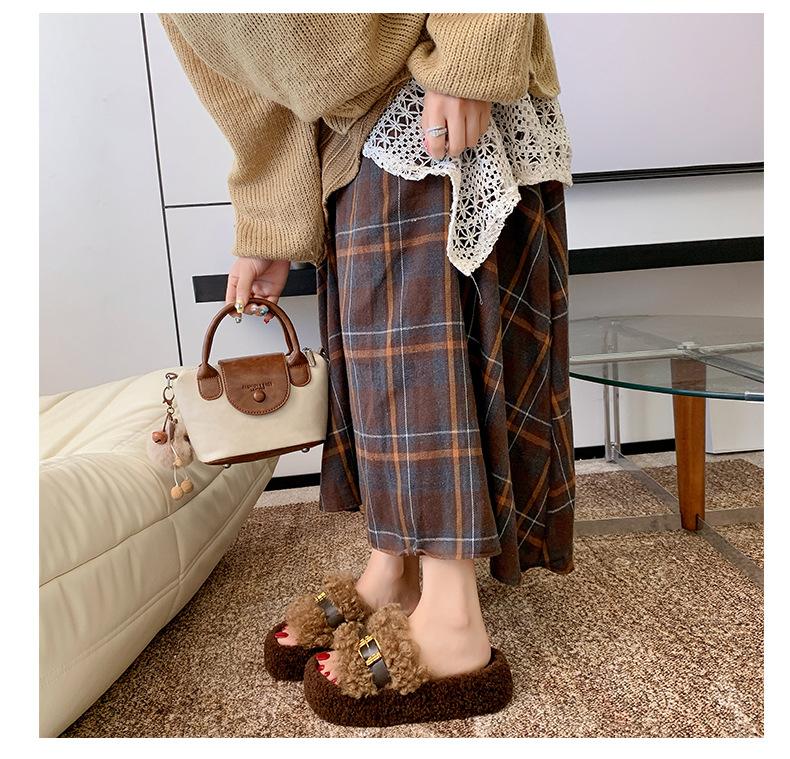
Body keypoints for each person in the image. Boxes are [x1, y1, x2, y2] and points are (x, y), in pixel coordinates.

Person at [162, 12, 576, 727]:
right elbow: (249, 86)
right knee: (376, 362)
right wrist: (268, 220)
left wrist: (472, 50)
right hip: (346, 136)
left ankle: (453, 620)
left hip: (434, 83)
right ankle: (395, 567)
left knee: (420, 354)